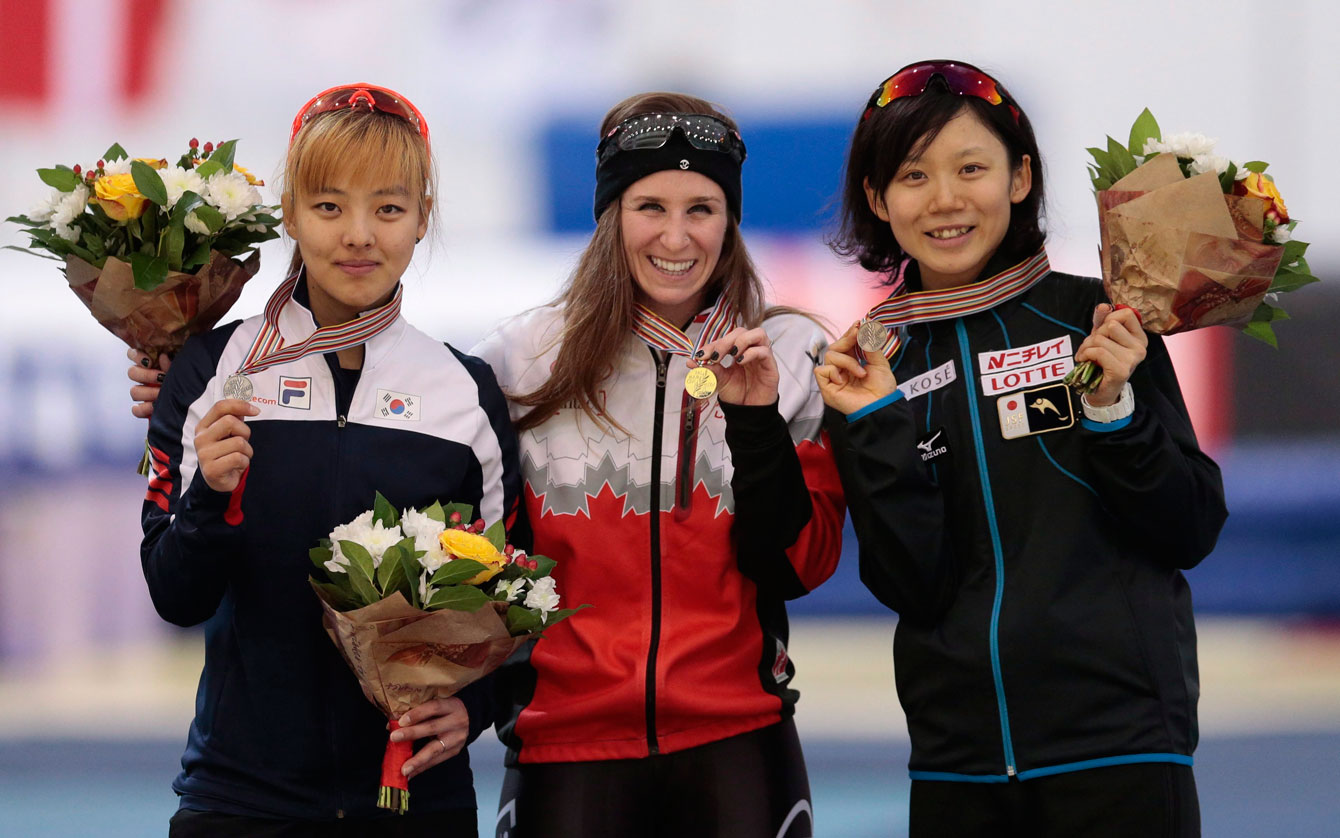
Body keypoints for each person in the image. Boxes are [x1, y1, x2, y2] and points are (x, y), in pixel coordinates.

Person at [814, 61, 1227, 837]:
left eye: (971, 168)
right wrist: (877, 426)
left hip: (1122, 753)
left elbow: (1191, 528)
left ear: (1020, 177)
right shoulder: (869, 370)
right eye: (913, 175)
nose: (945, 198)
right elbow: (912, 586)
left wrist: (1111, 411)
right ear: (877, 198)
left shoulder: (1100, 321)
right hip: (958, 770)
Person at [139, 84, 521, 836]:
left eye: (388, 208)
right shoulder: (211, 372)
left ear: (423, 218)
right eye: (328, 206)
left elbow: (515, 600)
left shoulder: (465, 391)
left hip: (416, 799)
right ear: (289, 213)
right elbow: (175, 599)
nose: (359, 235)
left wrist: (474, 708)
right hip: (241, 802)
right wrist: (210, 497)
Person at [470, 92, 845, 837]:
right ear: (611, 215)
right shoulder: (520, 361)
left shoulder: (793, 354)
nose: (676, 236)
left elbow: (798, 567)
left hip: (736, 739)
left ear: (730, 220)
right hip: (566, 745)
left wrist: (754, 420)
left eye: (701, 208)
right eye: (651, 207)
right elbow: (478, 563)